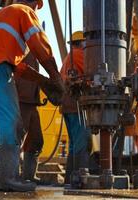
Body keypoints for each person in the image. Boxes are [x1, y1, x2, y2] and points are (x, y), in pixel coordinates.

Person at [0, 0, 63, 192]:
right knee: (11, 123)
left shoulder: (1, 14)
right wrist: (55, 76)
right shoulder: (25, 11)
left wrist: (42, 81)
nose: (37, 10)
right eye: (37, 6)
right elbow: (40, 45)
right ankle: (9, 179)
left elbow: (17, 66)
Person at [59, 31, 90, 185]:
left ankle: (70, 179)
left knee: (73, 145)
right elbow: (91, 72)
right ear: (81, 43)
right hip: (76, 105)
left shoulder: (67, 58)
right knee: (82, 142)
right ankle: (80, 179)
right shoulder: (79, 55)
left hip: (67, 106)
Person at [15, 53, 44, 184]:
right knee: (16, 140)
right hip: (21, 101)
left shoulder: (34, 54)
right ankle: (13, 175)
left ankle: (29, 175)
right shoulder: (19, 50)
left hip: (32, 102)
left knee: (37, 141)